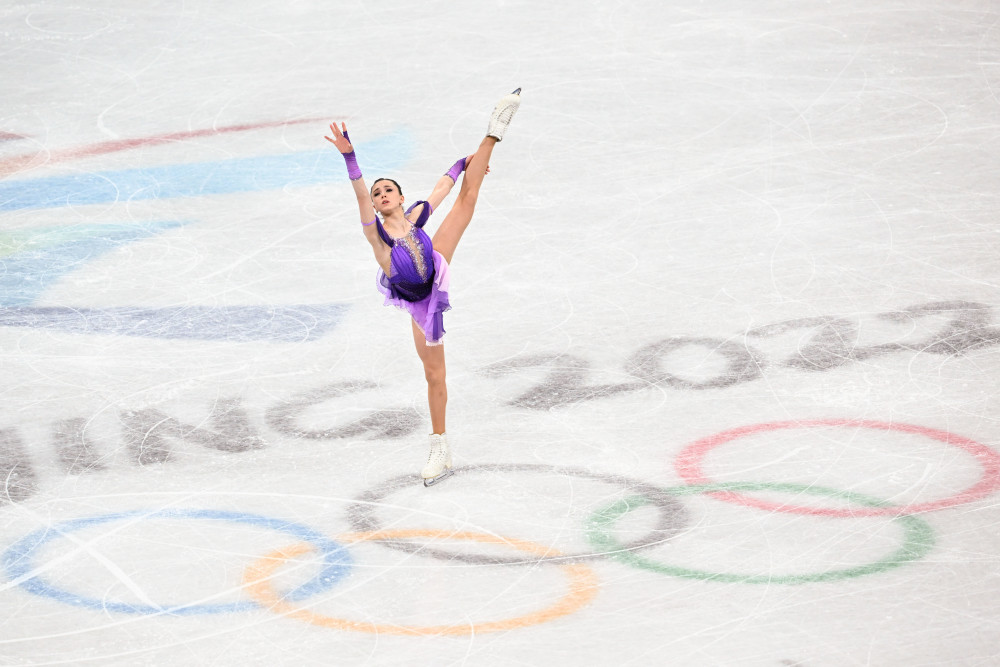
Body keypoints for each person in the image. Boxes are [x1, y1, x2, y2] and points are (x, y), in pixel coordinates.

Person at [324, 89, 521, 486]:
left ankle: (494, 131)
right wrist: (351, 158)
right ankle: (439, 446)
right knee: (435, 376)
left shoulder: (415, 216)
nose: (380, 195)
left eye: (387, 190)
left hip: (435, 263)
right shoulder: (377, 237)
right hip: (420, 303)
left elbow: (445, 186)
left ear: (399, 196)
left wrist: (466, 161)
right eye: (378, 194)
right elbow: (360, 195)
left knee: (468, 195)